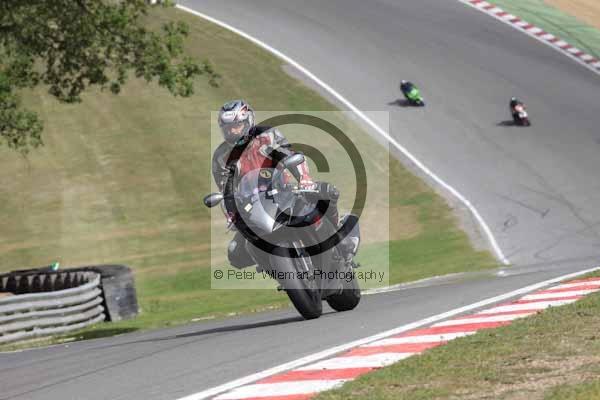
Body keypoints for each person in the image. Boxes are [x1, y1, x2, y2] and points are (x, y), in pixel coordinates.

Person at [211, 100, 358, 268]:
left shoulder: (267, 136)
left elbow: (290, 155)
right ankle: (271, 266)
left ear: (248, 121)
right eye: (227, 128)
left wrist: (305, 179)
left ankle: (341, 238)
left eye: (236, 126)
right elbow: (225, 191)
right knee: (235, 254)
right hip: (253, 207)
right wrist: (232, 214)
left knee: (328, 192)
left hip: (283, 192)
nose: (232, 131)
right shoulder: (221, 156)